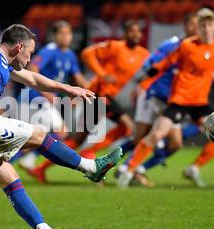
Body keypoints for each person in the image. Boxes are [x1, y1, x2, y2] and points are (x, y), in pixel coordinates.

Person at [0, 24, 123, 229]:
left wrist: (69, 89)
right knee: (38, 134)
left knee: (8, 177)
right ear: (19, 47)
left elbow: (33, 79)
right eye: (30, 52)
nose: (30, 57)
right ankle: (92, 168)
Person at [119, 8, 214, 187]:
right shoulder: (187, 46)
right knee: (156, 135)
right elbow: (168, 61)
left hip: (200, 102)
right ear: (198, 28)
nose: (207, 28)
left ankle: (195, 167)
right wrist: (150, 71)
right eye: (203, 25)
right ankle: (128, 170)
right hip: (180, 100)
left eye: (210, 24)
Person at [28, 20, 149, 183]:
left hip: (106, 96)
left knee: (77, 139)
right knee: (127, 127)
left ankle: (41, 168)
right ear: (125, 33)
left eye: (137, 31)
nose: (135, 34)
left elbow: (151, 71)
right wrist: (102, 74)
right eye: (131, 31)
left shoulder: (143, 54)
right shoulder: (114, 46)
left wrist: (142, 86)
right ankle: (90, 153)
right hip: (99, 94)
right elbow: (87, 54)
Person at [15, 21, 89, 172]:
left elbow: (78, 77)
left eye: (68, 33)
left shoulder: (69, 54)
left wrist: (91, 91)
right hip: (35, 98)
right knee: (60, 132)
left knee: (32, 138)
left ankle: (8, 159)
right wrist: (48, 95)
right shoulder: (49, 50)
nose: (65, 37)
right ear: (54, 36)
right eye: (61, 33)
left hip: (45, 101)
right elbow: (32, 68)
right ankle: (23, 159)